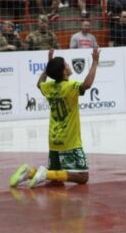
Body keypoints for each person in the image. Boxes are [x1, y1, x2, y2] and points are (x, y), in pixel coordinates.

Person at [9, 47, 100, 188]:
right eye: (67, 64)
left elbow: (39, 84)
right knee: (83, 177)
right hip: (69, 140)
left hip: (54, 139)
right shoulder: (70, 87)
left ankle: (29, 173)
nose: (69, 66)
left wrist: (48, 66)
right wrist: (95, 62)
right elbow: (87, 84)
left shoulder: (49, 87)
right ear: (64, 71)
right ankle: (44, 174)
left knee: (56, 175)